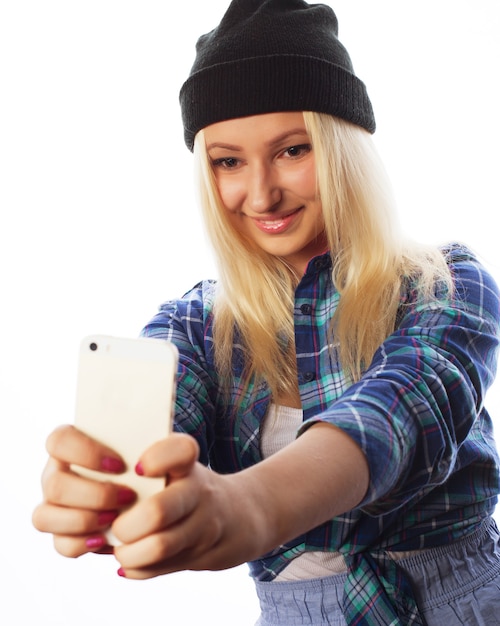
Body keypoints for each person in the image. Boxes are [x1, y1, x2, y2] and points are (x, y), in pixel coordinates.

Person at [32, 0, 500, 624]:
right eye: (228, 161)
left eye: (292, 150)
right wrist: (107, 490)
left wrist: (244, 508)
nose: (260, 194)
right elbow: (157, 427)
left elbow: (395, 412)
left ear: (343, 150)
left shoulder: (444, 283)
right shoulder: (194, 326)